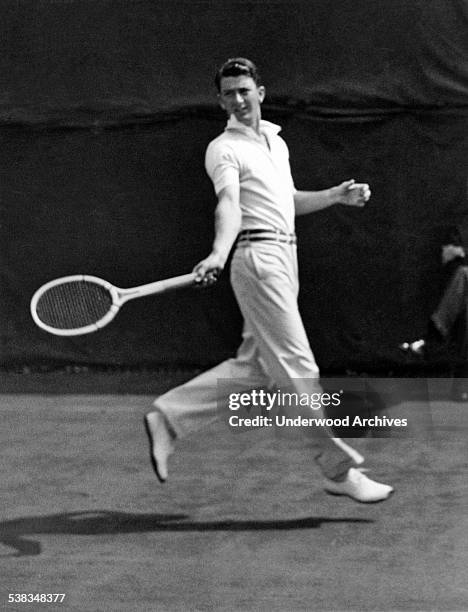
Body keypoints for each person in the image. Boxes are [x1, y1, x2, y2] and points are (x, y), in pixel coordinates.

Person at [144, 58, 393, 503]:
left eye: (244, 90)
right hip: (258, 260)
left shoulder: (276, 144)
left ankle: (169, 416)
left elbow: (287, 201)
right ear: (220, 101)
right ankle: (338, 470)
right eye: (228, 94)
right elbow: (230, 204)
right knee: (299, 367)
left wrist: (336, 196)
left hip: (284, 255)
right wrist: (219, 251)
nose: (238, 100)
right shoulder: (223, 149)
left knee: (258, 369)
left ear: (260, 92)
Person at [401, 222, 468, 401]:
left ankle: (434, 337)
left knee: (464, 277)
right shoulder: (461, 225)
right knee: (463, 278)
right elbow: (449, 255)